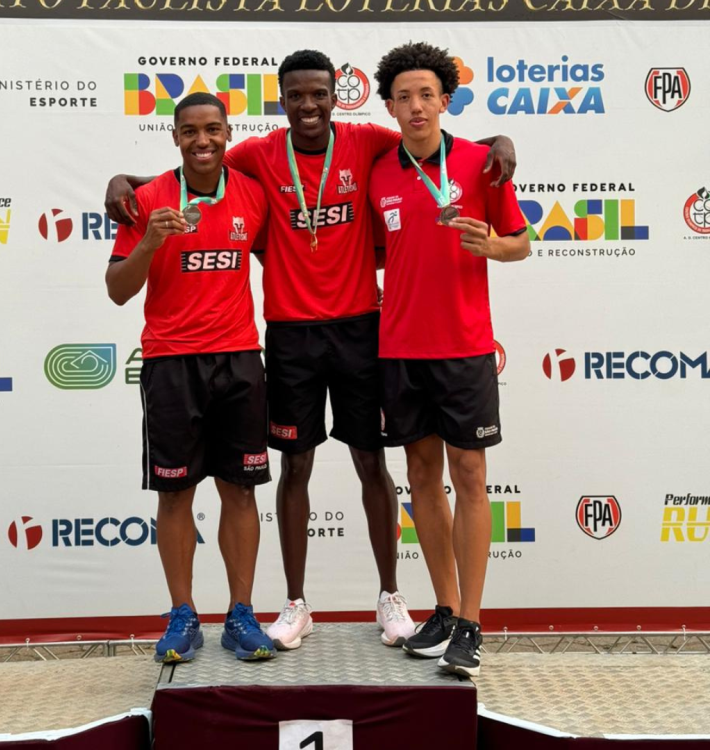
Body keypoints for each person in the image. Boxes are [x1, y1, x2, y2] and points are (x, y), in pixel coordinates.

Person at [105, 50, 517, 652]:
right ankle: (296, 603)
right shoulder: (255, 156)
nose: (307, 105)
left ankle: (390, 597)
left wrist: (501, 138)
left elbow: (431, 139)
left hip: (361, 327)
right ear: (280, 100)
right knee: (294, 466)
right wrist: (125, 183)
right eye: (295, 95)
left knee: (371, 462)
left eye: (318, 93)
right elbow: (197, 164)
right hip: (290, 333)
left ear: (334, 96)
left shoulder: (368, 141)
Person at [368, 42, 530, 677]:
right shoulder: (380, 170)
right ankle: (443, 607)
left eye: (426, 95)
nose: (415, 106)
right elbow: (382, 252)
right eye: (403, 96)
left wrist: (491, 244)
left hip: (464, 346)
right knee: (422, 480)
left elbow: (521, 243)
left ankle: (472, 624)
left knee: (469, 475)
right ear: (389, 105)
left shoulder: (482, 163)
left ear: (446, 100)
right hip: (399, 347)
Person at [106, 92, 276, 663]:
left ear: (229, 133)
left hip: (239, 359)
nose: (202, 141)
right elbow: (118, 290)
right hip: (171, 363)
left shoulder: (252, 192)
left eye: (213, 130)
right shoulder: (147, 200)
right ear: (174, 137)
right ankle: (182, 615)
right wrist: (151, 240)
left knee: (241, 490)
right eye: (190, 132)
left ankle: (241, 613)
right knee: (176, 493)